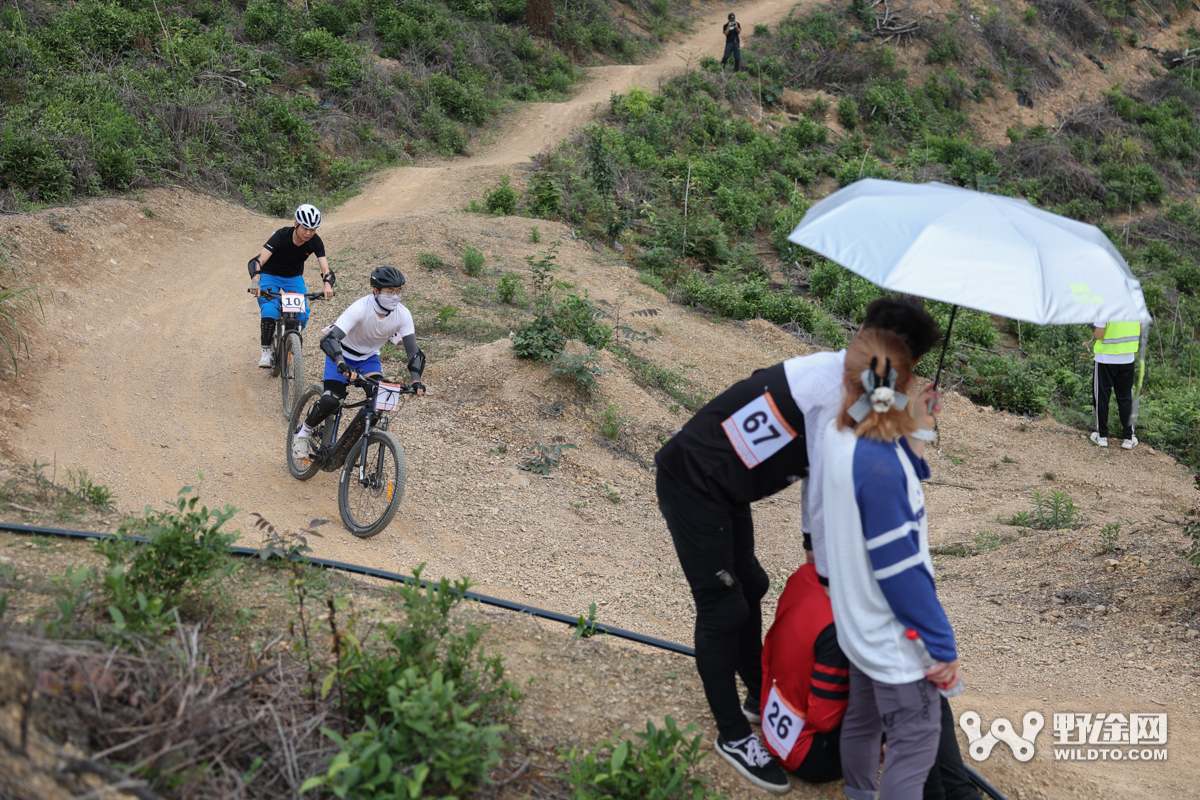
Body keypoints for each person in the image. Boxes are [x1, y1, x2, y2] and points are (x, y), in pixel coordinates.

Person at [654, 298, 942, 794]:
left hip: (727, 489)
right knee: (723, 608)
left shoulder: (854, 379)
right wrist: (829, 575)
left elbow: (826, 460)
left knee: (751, 586)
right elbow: (829, 479)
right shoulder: (823, 390)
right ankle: (733, 735)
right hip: (693, 483)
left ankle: (757, 694)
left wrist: (914, 416)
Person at [823, 328, 959, 800]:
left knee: (861, 721)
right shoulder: (878, 466)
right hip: (895, 639)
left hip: (856, 623)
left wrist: (917, 425)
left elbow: (892, 455)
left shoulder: (839, 434)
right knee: (914, 744)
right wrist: (941, 646)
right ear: (901, 384)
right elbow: (901, 573)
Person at [761, 563, 981, 800]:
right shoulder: (844, 627)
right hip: (810, 752)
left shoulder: (808, 572)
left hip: (776, 718)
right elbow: (823, 719)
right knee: (921, 686)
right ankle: (957, 792)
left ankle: (956, 789)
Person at [292, 266, 426, 462]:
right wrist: (341, 363)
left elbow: (413, 351)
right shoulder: (360, 308)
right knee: (332, 400)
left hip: (368, 359)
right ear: (376, 291)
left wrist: (416, 381)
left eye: (398, 291)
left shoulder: (403, 314)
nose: (395, 296)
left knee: (379, 398)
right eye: (390, 292)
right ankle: (303, 433)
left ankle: (354, 442)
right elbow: (329, 340)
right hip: (342, 354)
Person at [248, 203, 335, 369]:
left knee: (301, 314)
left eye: (313, 229)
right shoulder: (281, 235)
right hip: (270, 274)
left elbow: (325, 268)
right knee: (270, 308)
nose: (309, 233)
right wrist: (255, 281)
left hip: (293, 277)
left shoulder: (315, 241)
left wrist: (327, 286)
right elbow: (260, 260)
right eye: (305, 228)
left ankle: (291, 340)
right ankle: (266, 350)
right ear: (296, 224)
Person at [1089, 320, 1142, 450]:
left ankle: (1102, 436)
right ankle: (1128, 438)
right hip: (1127, 359)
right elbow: (1139, 330)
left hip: (1105, 359)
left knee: (1102, 396)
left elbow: (1098, 335)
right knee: (1125, 398)